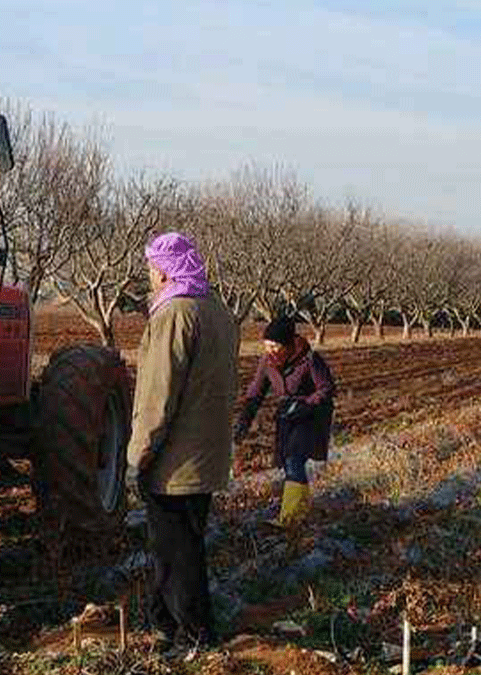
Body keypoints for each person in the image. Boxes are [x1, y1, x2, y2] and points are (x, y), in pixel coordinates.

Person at [127, 232, 238, 655]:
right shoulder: (217, 311)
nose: (150, 275)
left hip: (175, 462)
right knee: (182, 544)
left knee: (177, 553)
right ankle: (166, 626)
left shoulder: (174, 314)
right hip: (207, 454)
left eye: (152, 267)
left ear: (163, 269)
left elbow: (157, 397)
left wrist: (137, 457)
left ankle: (194, 635)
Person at [233, 315, 335, 532]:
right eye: (266, 345)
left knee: (294, 460)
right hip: (287, 416)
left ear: (287, 344)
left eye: (275, 345)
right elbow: (255, 393)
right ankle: (299, 510)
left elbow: (326, 389)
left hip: (311, 416)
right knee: (289, 462)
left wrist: (306, 404)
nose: (270, 350)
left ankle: (290, 519)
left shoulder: (310, 359)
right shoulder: (267, 362)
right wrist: (243, 422)